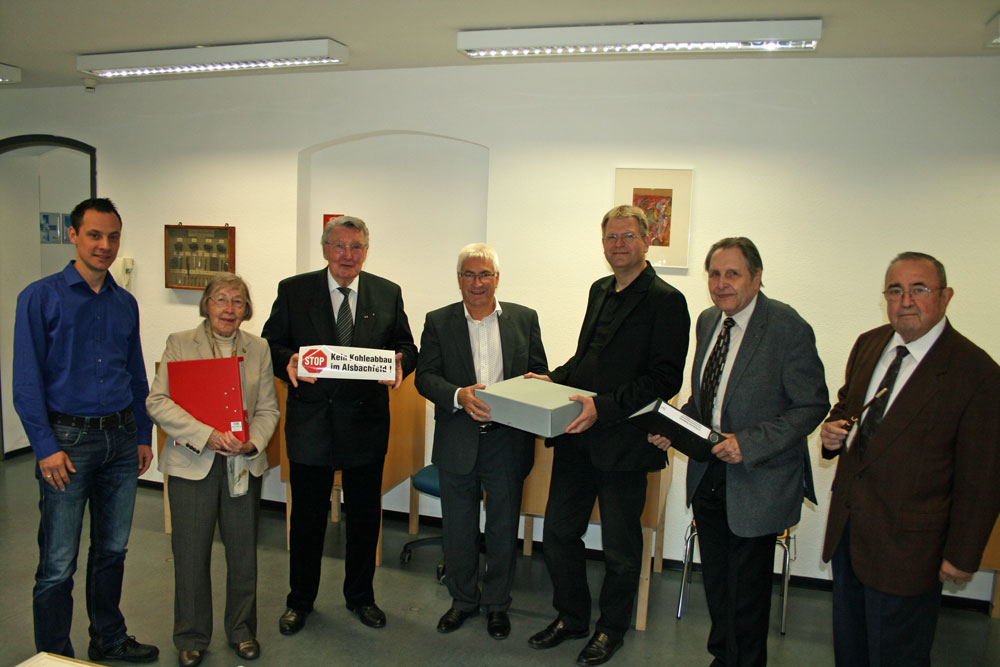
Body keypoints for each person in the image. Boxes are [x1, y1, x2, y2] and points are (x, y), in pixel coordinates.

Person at [649, 237, 829, 666]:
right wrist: (672, 428)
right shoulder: (709, 321)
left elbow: (812, 404)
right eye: (714, 274)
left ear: (757, 277)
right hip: (709, 474)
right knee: (716, 586)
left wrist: (748, 444)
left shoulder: (787, 327)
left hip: (758, 480)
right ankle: (721, 657)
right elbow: (705, 400)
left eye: (733, 274)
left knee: (746, 596)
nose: (721, 283)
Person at [526, 205, 689, 666]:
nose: (619, 244)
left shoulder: (666, 300)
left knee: (620, 548)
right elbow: (586, 358)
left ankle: (610, 628)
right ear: (603, 245)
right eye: (611, 237)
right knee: (558, 533)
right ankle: (572, 617)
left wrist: (605, 407)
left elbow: (664, 379)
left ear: (646, 241)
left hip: (625, 441)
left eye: (628, 236)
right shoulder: (599, 290)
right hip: (578, 434)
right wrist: (554, 379)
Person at [820, 251, 1000, 667]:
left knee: (897, 656)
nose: (906, 301)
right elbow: (848, 407)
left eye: (919, 289)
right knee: (851, 653)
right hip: (849, 537)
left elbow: (984, 476)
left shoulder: (977, 373)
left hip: (911, 551)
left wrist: (964, 552)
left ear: (945, 296)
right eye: (895, 290)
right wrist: (832, 433)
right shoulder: (869, 344)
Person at [12, 197, 159, 662]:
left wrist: (141, 436)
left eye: (113, 237)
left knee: (112, 551)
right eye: (94, 235)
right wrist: (44, 447)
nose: (105, 246)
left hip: (120, 440)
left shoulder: (125, 303)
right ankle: (54, 655)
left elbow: (136, 375)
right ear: (73, 235)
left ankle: (108, 639)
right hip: (66, 445)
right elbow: (25, 382)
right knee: (57, 564)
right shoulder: (40, 297)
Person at [262, 215, 417, 634]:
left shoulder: (387, 292)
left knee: (365, 518)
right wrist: (286, 361)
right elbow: (271, 343)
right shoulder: (294, 290)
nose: (348, 255)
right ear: (325, 248)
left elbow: (405, 345)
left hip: (365, 423)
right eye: (340, 245)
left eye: (357, 247)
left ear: (367, 251)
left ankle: (361, 598)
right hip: (312, 423)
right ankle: (300, 601)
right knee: (308, 519)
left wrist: (402, 362)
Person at [414, 243, 548, 640]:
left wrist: (539, 384)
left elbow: (538, 371)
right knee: (458, 527)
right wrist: (459, 395)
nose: (477, 283)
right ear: (459, 280)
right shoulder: (438, 321)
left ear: (497, 279)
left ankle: (496, 605)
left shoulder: (525, 319)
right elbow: (425, 376)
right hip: (458, 438)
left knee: (503, 528)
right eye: (469, 275)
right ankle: (462, 601)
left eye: (484, 274)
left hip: (508, 441)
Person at [146, 273, 280, 667]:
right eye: (220, 299)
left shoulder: (259, 348)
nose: (229, 308)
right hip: (193, 464)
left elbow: (268, 408)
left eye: (237, 301)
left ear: (247, 308)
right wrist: (206, 435)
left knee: (243, 555)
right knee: (190, 554)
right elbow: (159, 402)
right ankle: (190, 636)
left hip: (242, 463)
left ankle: (242, 631)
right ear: (206, 304)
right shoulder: (180, 343)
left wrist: (253, 441)